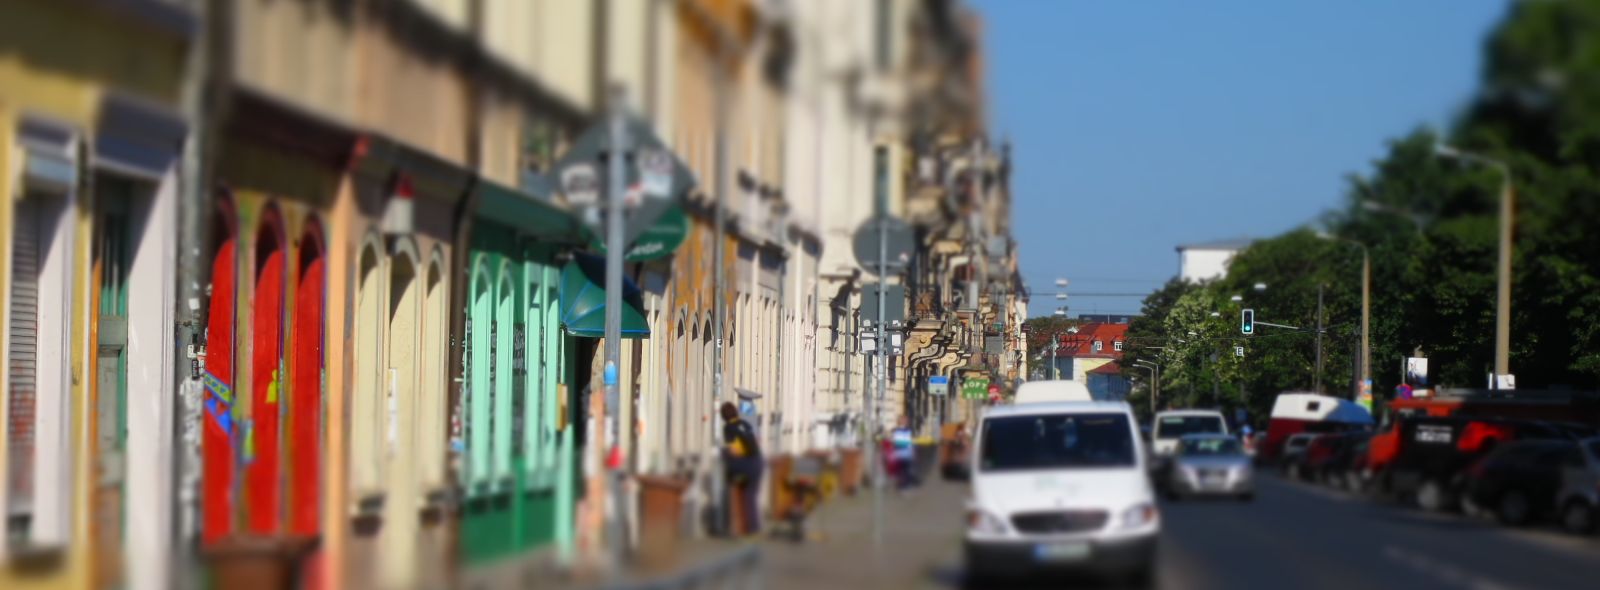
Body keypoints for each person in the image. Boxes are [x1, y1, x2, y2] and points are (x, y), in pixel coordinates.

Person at [721, 401, 763, 536]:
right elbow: (756, 441)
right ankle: (753, 527)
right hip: (757, 461)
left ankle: (737, 526)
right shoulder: (745, 424)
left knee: (734, 489)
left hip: (744, 464)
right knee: (751, 495)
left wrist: (724, 453)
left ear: (723, 416)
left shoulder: (729, 428)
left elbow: (734, 450)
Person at [891, 415, 918, 490]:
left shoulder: (909, 430)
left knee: (907, 470)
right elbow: (897, 443)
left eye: (906, 420)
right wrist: (907, 443)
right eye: (903, 420)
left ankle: (905, 485)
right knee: (901, 471)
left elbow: (910, 442)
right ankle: (902, 486)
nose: (905, 421)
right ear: (899, 421)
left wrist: (912, 449)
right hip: (900, 454)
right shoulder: (896, 430)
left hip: (907, 454)